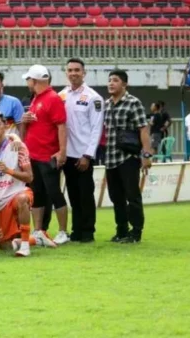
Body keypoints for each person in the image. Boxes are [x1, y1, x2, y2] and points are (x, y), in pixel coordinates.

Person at [21, 65, 70, 246]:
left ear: (34, 80)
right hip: (34, 155)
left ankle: (63, 231)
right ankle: (38, 231)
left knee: (54, 192)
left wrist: (62, 151)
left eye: (29, 79)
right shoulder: (37, 98)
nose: (27, 83)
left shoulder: (52, 98)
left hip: (48, 155)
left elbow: (61, 126)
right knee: (38, 194)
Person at [104, 70, 152, 244]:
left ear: (124, 84)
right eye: (109, 80)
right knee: (116, 197)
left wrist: (146, 154)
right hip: (110, 158)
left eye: (115, 80)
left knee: (132, 196)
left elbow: (143, 129)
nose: (111, 83)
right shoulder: (106, 104)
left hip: (128, 157)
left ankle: (136, 231)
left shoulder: (133, 102)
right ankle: (121, 230)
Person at [0, 111, 35, 257]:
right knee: (5, 246)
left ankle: (25, 246)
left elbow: (29, 177)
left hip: (17, 193)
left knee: (22, 199)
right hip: (1, 202)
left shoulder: (17, 146)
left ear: (6, 126)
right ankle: (36, 239)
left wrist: (9, 171)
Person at [59, 58, 104, 243]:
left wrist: (87, 155)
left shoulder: (93, 97)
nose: (73, 73)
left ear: (84, 73)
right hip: (66, 154)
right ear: (66, 73)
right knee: (73, 194)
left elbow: (96, 128)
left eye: (77, 70)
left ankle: (87, 231)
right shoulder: (61, 95)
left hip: (83, 155)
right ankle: (76, 230)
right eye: (70, 70)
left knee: (85, 194)